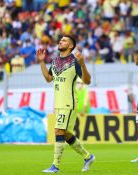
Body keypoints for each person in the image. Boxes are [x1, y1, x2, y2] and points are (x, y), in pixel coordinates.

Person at [37, 35, 95, 173]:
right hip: (58, 103)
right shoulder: (55, 61)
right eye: (60, 40)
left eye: (64, 40)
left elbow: (87, 81)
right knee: (66, 133)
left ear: (70, 46)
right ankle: (88, 157)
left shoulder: (75, 62)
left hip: (69, 102)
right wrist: (41, 62)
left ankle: (55, 166)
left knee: (58, 130)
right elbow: (48, 78)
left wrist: (83, 64)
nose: (60, 41)